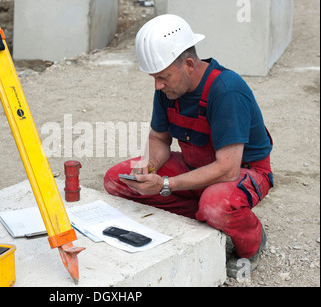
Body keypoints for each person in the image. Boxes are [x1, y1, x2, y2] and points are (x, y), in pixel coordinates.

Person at [103, 14, 274, 278]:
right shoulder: (169, 89)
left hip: (244, 172)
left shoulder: (226, 91)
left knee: (215, 205)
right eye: (154, 78)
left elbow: (228, 169)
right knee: (117, 180)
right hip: (197, 165)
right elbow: (159, 139)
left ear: (189, 64)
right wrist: (147, 166)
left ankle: (252, 241)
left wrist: (166, 185)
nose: (157, 85)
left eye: (163, 77)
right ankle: (204, 217)